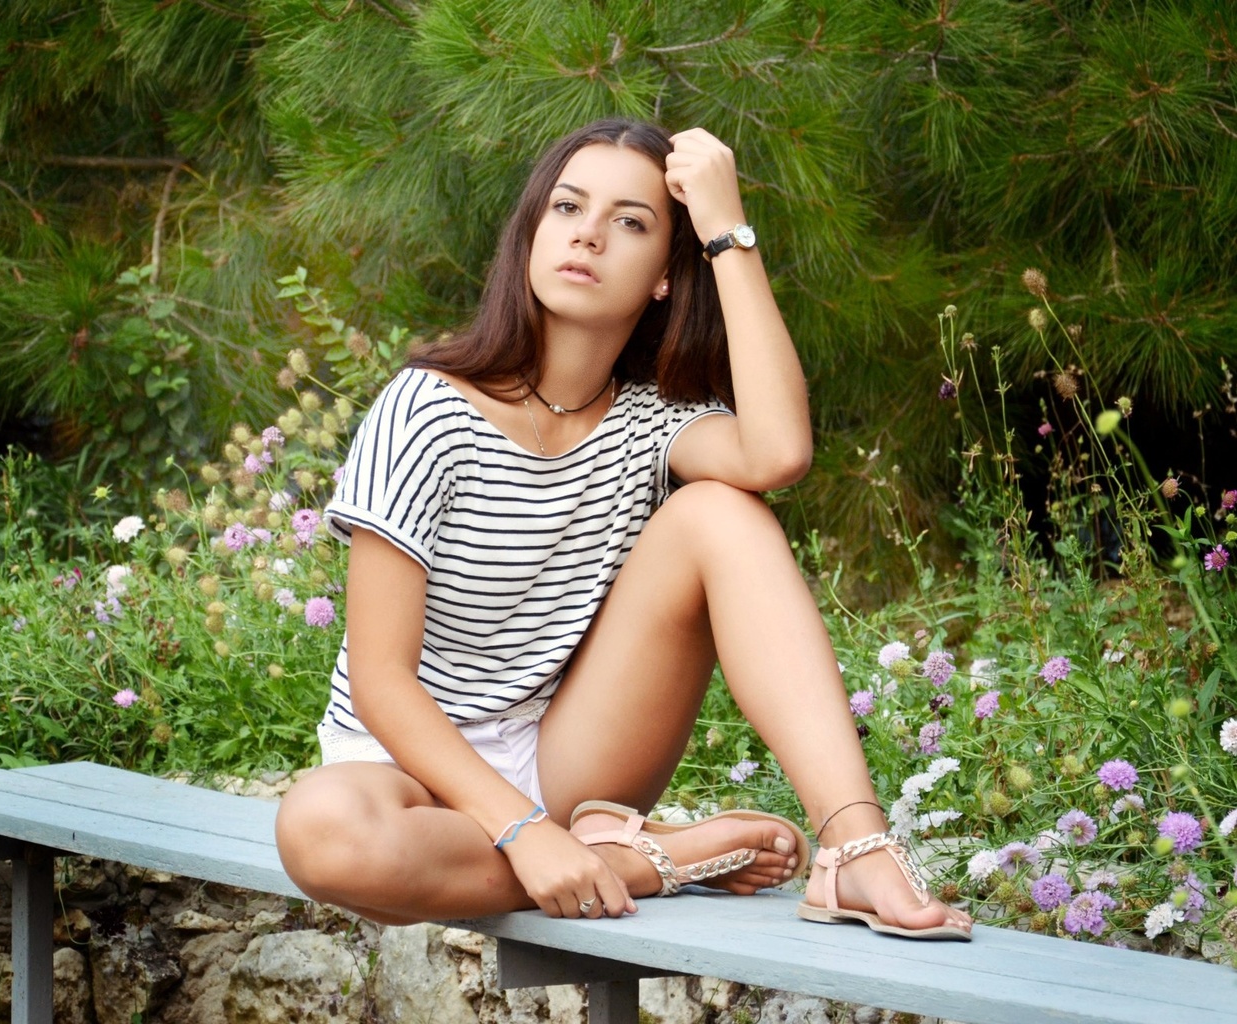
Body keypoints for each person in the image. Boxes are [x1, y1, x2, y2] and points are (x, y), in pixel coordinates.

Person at [275, 117, 973, 941]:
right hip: (405, 775)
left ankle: (855, 848)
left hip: (570, 758)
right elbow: (382, 682)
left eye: (631, 222)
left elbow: (779, 451)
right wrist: (522, 832)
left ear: (665, 279)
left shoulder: (651, 421)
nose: (589, 236)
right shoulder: (426, 409)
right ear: (532, 234)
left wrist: (724, 227)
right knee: (320, 833)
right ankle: (645, 861)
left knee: (722, 510)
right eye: (568, 208)